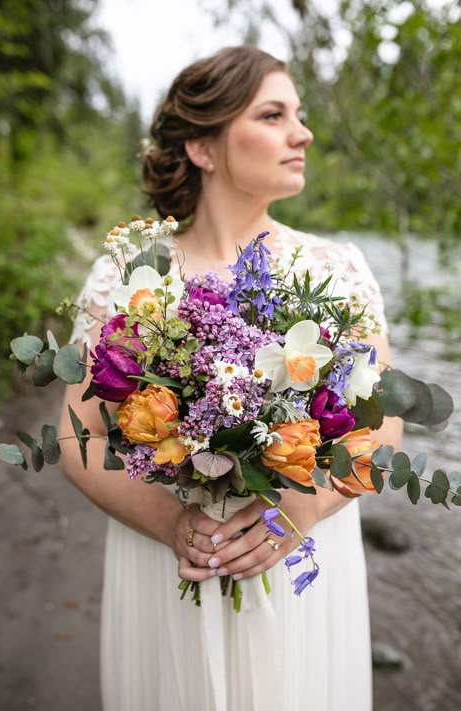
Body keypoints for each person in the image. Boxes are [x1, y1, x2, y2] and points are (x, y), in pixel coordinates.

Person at [59, 45, 403, 711]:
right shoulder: (132, 276)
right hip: (167, 565)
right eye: (273, 115)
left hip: (302, 563)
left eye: (298, 115)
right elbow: (77, 436)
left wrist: (297, 511)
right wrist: (170, 523)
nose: (301, 133)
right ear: (203, 147)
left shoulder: (338, 270)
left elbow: (383, 427)